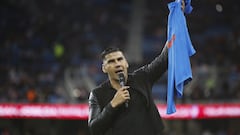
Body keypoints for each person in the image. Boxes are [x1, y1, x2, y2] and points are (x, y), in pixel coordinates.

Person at [88, 2, 185, 135]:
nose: (117, 64)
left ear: (126, 63)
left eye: (120, 59)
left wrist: (177, 20)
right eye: (111, 61)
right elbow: (94, 128)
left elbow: (163, 59)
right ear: (104, 68)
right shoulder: (97, 94)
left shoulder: (142, 78)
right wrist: (113, 104)